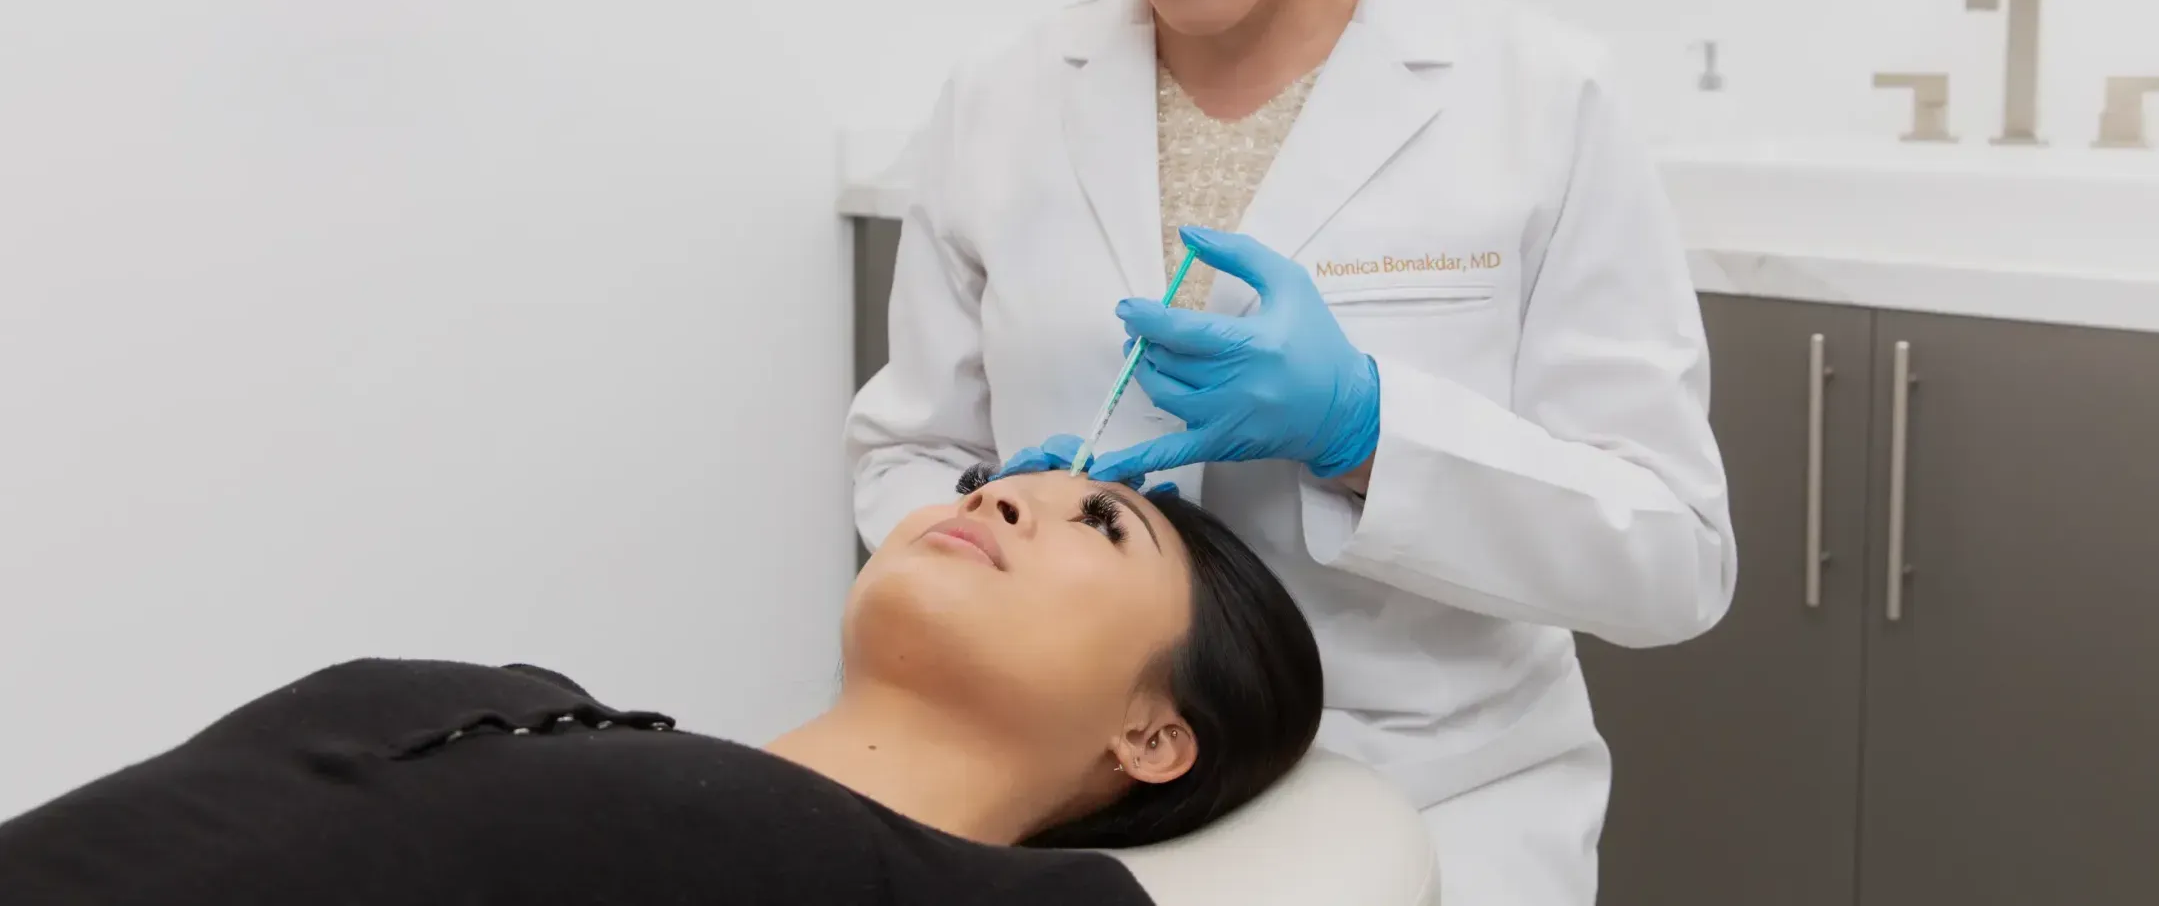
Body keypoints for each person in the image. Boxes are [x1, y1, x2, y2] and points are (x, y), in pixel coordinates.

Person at [844, 0, 1737, 906]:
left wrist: (1371, 429)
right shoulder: (1001, 104)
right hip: (1075, 807)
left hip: (1439, 807)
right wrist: (974, 501)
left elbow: (1673, 556)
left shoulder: (1539, 104)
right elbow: (903, 448)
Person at [0, 470, 1321, 905]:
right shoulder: (535, 692)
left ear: (1154, 732)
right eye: (993, 478)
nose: (1004, 494)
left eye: (1102, 523)